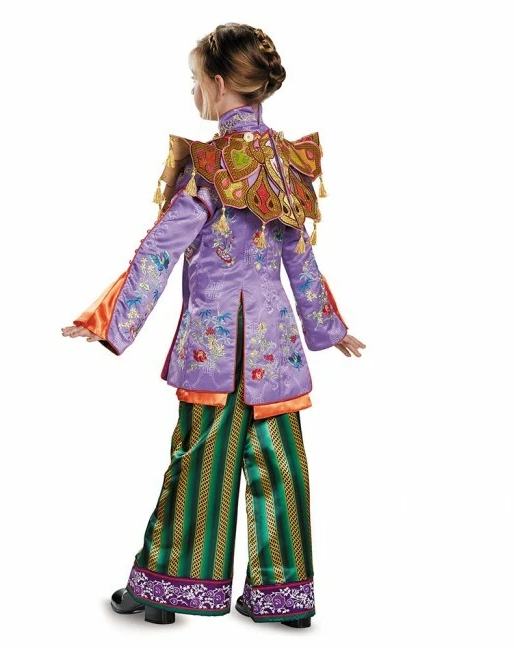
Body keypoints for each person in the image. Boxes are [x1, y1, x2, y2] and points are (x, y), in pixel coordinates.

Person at [61, 22, 365, 628]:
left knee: (200, 462)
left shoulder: (207, 167)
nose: (194, 92)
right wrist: (328, 327)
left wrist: (109, 318)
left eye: (196, 80)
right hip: (275, 350)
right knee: (281, 465)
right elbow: (301, 259)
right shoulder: (287, 165)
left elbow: (159, 250)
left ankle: (168, 588)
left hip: (214, 347)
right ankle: (284, 598)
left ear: (221, 83)